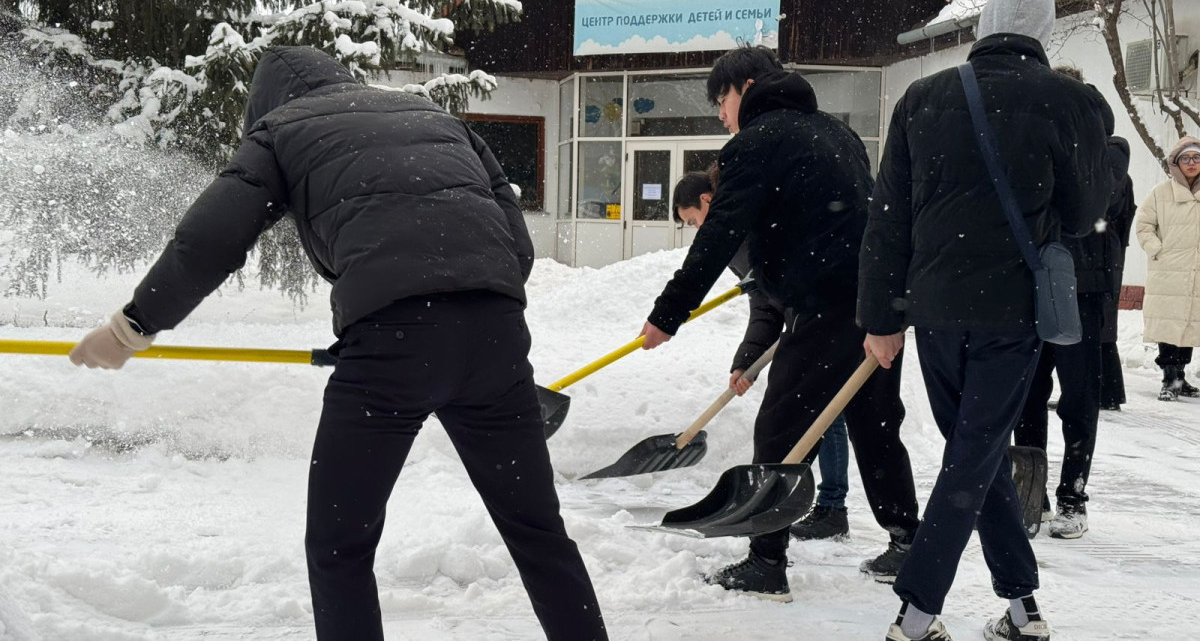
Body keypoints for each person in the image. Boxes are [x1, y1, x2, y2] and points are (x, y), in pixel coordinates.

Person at [67, 46, 608, 641]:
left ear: (266, 101)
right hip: (496, 341)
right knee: (537, 532)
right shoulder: (434, 118)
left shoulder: (280, 130)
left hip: (389, 353)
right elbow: (515, 245)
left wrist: (131, 328)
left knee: (339, 547)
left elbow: (210, 240)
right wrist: (456, 319)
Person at [858, 0, 1111, 641]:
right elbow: (1085, 217)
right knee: (975, 451)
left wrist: (880, 317)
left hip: (934, 309)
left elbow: (887, 218)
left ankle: (1023, 605)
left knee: (977, 451)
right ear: (1045, 33)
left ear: (981, 27)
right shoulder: (1069, 101)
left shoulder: (923, 97)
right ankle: (916, 614)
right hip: (1012, 309)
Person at [641, 45, 921, 603]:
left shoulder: (755, 143)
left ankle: (766, 564)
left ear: (744, 86)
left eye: (721, 100)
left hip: (826, 304)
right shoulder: (835, 133)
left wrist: (668, 313)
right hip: (873, 304)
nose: (722, 114)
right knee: (875, 422)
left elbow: (718, 234)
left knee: (780, 430)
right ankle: (907, 543)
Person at [674, 167, 852, 541]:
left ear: (707, 201)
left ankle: (835, 509)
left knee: (832, 412)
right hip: (809, 313)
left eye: (692, 221)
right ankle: (835, 509)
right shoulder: (734, 239)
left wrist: (805, 314)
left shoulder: (749, 221)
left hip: (830, 306)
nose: (696, 230)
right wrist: (746, 362)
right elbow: (764, 301)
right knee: (830, 410)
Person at [1013, 66, 1130, 540]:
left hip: (1084, 293)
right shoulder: (1036, 144)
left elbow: (1097, 203)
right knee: (1027, 399)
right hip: (1036, 288)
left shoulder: (1110, 149)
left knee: (1079, 401)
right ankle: (1032, 493)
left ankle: (1073, 495)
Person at [1136, 135, 1200, 401]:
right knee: (1168, 323)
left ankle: (1181, 375)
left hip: (1196, 271)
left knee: (1189, 323)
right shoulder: (1161, 193)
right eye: (1185, 158)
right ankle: (1169, 377)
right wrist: (1156, 250)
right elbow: (1143, 225)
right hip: (1168, 271)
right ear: (1176, 163)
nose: (1192, 162)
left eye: (1196, 157)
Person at [1100, 154, 1137, 411]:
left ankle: (1106, 393)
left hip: (1099, 255)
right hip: (1109, 255)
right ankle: (1109, 393)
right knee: (1103, 328)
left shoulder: (1107, 173)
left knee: (1098, 328)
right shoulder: (1122, 176)